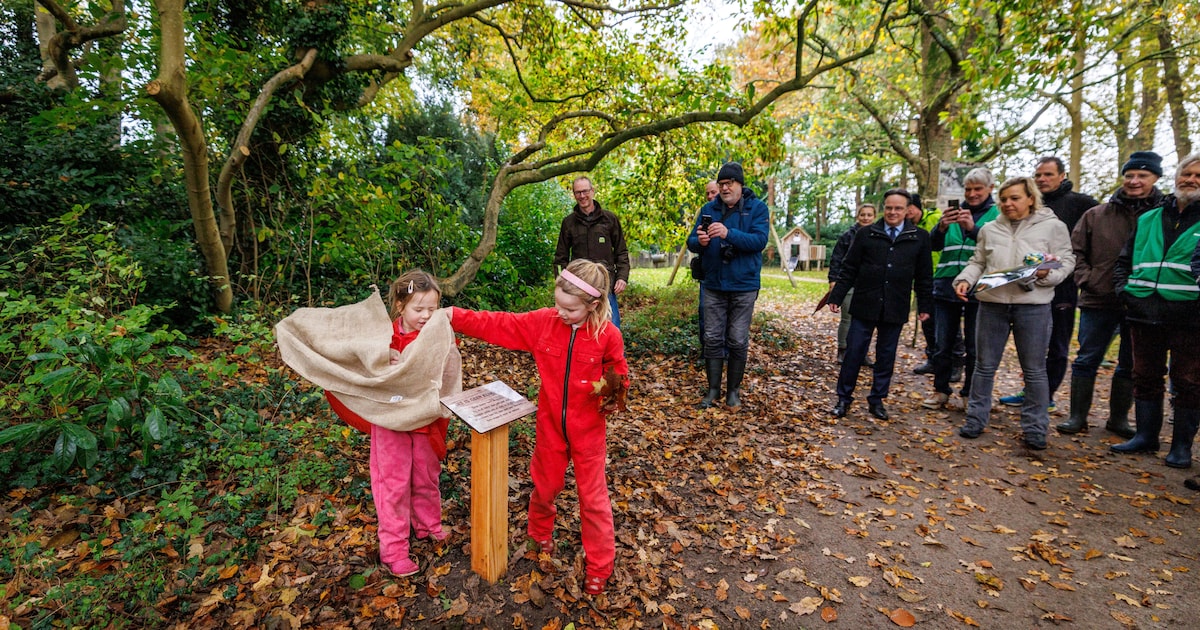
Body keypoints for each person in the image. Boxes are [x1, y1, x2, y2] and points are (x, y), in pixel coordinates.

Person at [446, 259, 629, 595]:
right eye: (558, 303)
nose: (561, 312)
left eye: (570, 309)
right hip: (550, 426)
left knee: (593, 499)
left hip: (588, 431)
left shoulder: (608, 335)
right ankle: (540, 534)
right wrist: (455, 316)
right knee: (545, 486)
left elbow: (619, 376)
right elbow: (499, 324)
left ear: (593, 305)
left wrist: (613, 390)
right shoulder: (544, 322)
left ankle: (600, 566)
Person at [326, 270, 453, 577]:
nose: (425, 316)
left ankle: (427, 526)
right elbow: (357, 362)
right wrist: (384, 361)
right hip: (390, 421)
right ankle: (394, 549)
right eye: (418, 309)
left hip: (424, 421)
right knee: (392, 483)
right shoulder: (383, 337)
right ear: (400, 306)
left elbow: (449, 369)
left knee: (426, 475)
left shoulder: (439, 332)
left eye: (431, 309)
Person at [954, 177, 1075, 450]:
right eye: (1004, 199)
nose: (1008, 204)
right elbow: (978, 262)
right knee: (984, 367)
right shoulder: (989, 229)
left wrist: (1047, 276)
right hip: (991, 304)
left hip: (1033, 306)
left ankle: (1035, 428)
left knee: (1034, 370)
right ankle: (975, 419)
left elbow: (1066, 261)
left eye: (1015, 198)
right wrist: (964, 279)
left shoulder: (1053, 227)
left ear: (1030, 198)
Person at [1057, 151, 1164, 436]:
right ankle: (1076, 417)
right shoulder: (1096, 215)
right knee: (1087, 358)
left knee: (1130, 363)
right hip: (1098, 298)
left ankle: (1119, 419)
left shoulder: (1164, 214)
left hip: (1143, 301)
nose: (1134, 181)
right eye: (1129, 175)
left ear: (1155, 178)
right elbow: (1073, 251)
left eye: (1142, 176)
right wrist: (1087, 279)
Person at [1110, 153, 1200, 469]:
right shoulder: (1149, 217)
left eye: (1198, 176)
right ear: (1175, 178)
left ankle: (1181, 448)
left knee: (1188, 381)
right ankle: (1146, 436)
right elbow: (1124, 262)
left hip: (1190, 316)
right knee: (1144, 375)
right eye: (1186, 174)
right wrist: (1125, 293)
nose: (1191, 180)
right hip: (1143, 311)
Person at [999, 157, 1099, 411]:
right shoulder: (1029, 206)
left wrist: (1085, 273)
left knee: (1057, 342)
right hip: (1027, 283)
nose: (1042, 179)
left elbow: (1096, 239)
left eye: (1048, 174)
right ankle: (1030, 391)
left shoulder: (1082, 204)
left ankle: (1047, 396)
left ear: (1062, 176)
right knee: (1032, 343)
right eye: (1038, 175)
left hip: (1063, 285)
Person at [828, 189, 933, 420]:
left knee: (886, 356)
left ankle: (877, 400)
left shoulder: (919, 237)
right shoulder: (867, 234)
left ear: (907, 211)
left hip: (895, 306)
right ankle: (843, 399)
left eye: (898, 208)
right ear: (883, 208)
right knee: (853, 353)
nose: (893, 212)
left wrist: (925, 306)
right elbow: (849, 268)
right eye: (889, 207)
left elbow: (924, 276)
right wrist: (836, 296)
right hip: (865, 304)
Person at [687, 162, 770, 409]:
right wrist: (700, 241)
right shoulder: (708, 209)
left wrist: (728, 233)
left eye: (729, 184)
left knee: (736, 339)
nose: (724, 188)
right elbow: (691, 241)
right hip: (713, 283)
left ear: (740, 185)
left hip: (744, 285)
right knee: (711, 338)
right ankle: (712, 391)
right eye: (721, 184)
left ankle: (733, 391)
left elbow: (759, 241)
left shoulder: (757, 208)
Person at [922, 168, 999, 411]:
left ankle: (970, 393)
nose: (972, 194)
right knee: (942, 344)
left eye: (978, 189)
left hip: (979, 289)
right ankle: (940, 390)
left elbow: (997, 248)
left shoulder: (997, 215)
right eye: (968, 189)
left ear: (990, 189)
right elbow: (932, 246)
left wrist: (972, 229)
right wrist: (942, 228)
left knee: (974, 346)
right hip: (945, 286)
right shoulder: (953, 212)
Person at [555, 176, 631, 328]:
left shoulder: (610, 219)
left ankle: (614, 353)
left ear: (592, 191)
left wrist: (622, 277)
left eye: (585, 191)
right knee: (580, 328)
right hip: (579, 286)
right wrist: (560, 281)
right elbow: (560, 257)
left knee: (612, 327)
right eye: (578, 193)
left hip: (606, 284)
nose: (582, 196)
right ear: (574, 195)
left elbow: (621, 252)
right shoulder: (568, 223)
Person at [828, 203, 877, 364]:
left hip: (869, 285)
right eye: (863, 214)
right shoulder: (847, 236)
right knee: (847, 318)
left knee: (867, 320)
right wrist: (833, 281)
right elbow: (836, 259)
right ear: (858, 216)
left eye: (869, 215)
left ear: (874, 217)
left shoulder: (879, 235)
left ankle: (862, 352)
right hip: (848, 283)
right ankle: (843, 349)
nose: (866, 218)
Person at [907, 193, 941, 374]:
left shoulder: (935, 218)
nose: (908, 211)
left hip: (940, 275)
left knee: (942, 321)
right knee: (926, 321)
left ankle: (952, 363)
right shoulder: (907, 227)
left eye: (911, 207)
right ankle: (932, 359)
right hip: (921, 280)